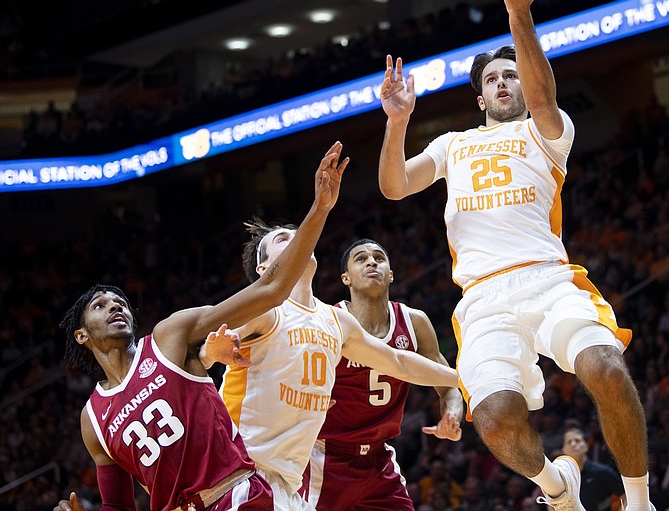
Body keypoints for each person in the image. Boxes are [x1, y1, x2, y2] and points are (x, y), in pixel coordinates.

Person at [378, 0, 652, 511]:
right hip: (483, 299)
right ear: (478, 96)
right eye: (493, 80)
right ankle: (558, 488)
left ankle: (640, 500)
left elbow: (544, 92)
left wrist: (518, 11)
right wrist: (398, 121)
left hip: (549, 280)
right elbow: (394, 185)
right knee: (496, 420)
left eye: (512, 76)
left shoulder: (548, 132)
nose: (505, 84)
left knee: (604, 365)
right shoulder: (453, 145)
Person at [53, 143, 348, 511]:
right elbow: (119, 506)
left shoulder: (170, 336)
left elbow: (271, 290)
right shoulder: (93, 419)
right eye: (100, 305)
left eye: (120, 302)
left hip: (237, 496)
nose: (115, 305)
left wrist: (319, 209)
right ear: (82, 336)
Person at [202, 228, 459, 510]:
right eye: (282, 239)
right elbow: (215, 341)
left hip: (289, 478)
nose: (297, 239)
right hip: (248, 466)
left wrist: (463, 379)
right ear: (263, 268)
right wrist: (211, 351)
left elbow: (398, 362)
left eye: (299, 233)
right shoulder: (263, 310)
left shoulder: (335, 321)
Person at [301, 238, 464, 510]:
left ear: (391, 274)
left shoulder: (414, 322)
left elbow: (447, 385)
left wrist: (452, 417)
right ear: (346, 279)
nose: (371, 262)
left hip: (379, 459)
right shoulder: (328, 322)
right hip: (325, 457)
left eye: (378, 257)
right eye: (360, 259)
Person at [561, 428, 624, 511]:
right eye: (569, 442)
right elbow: (551, 504)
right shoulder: (560, 476)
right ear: (563, 450)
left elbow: (625, 497)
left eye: (577, 440)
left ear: (586, 446)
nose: (573, 444)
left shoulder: (603, 472)